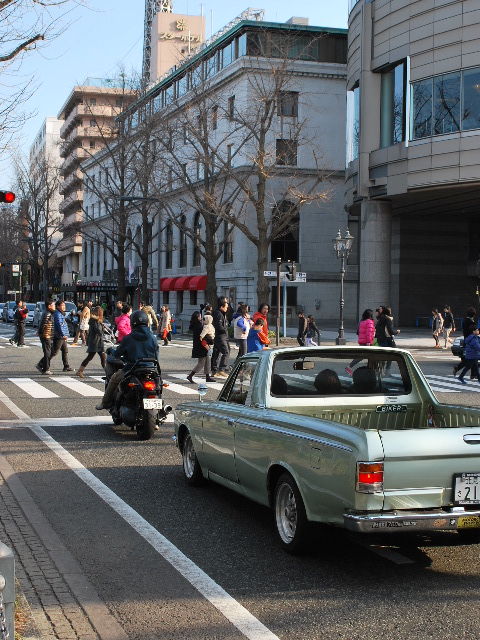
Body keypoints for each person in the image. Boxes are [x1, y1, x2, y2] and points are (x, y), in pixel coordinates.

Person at [96, 309, 159, 410]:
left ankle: (105, 402)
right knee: (158, 386)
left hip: (132, 370)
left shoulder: (128, 338)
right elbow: (157, 356)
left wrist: (111, 350)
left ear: (132, 323)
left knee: (114, 379)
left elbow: (117, 353)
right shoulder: (153, 338)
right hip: (151, 370)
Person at [76, 306, 107, 378]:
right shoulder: (95, 321)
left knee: (103, 357)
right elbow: (98, 330)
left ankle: (107, 372)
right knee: (91, 357)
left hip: (97, 341)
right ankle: (80, 371)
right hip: (95, 342)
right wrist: (103, 331)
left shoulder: (96, 320)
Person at [186, 311, 216, 383]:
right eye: (200, 316)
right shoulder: (198, 326)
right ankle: (190, 375)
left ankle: (207, 377)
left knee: (207, 362)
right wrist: (210, 340)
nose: (201, 318)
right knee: (201, 363)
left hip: (201, 346)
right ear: (197, 317)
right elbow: (203, 337)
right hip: (201, 347)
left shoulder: (196, 325)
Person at [51, 299, 74, 372]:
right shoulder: (57, 314)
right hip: (59, 336)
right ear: (58, 306)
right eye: (62, 305)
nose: (64, 307)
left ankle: (66, 366)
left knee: (65, 350)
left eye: (64, 305)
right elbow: (59, 325)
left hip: (61, 336)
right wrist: (63, 334)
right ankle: (42, 364)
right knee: (54, 352)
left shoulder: (60, 313)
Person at [453, 307, 477, 377]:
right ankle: (472, 374)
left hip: (466, 340)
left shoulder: (464, 321)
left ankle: (473, 374)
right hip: (471, 341)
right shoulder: (471, 322)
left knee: (471, 358)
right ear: (474, 315)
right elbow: (475, 332)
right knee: (472, 358)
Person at [35, 298, 56, 375]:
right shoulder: (47, 313)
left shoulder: (49, 313)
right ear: (49, 306)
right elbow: (43, 324)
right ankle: (46, 369)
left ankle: (42, 365)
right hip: (46, 335)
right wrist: (39, 332)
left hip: (49, 335)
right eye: (53, 305)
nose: (54, 306)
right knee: (48, 352)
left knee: (52, 352)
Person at [211, 297, 230, 377]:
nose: (227, 309)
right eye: (226, 307)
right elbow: (218, 326)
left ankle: (214, 370)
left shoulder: (219, 313)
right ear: (221, 306)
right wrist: (224, 330)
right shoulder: (218, 314)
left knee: (217, 352)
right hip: (220, 336)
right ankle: (221, 369)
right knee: (226, 352)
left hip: (219, 336)